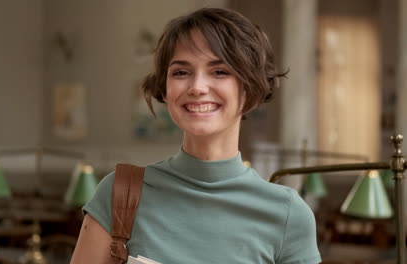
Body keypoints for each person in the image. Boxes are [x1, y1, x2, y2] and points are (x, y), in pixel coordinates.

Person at [70, 7, 321, 264]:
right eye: (181, 72)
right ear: (166, 91)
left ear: (249, 88)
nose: (198, 87)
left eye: (220, 71)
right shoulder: (118, 194)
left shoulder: (288, 215)